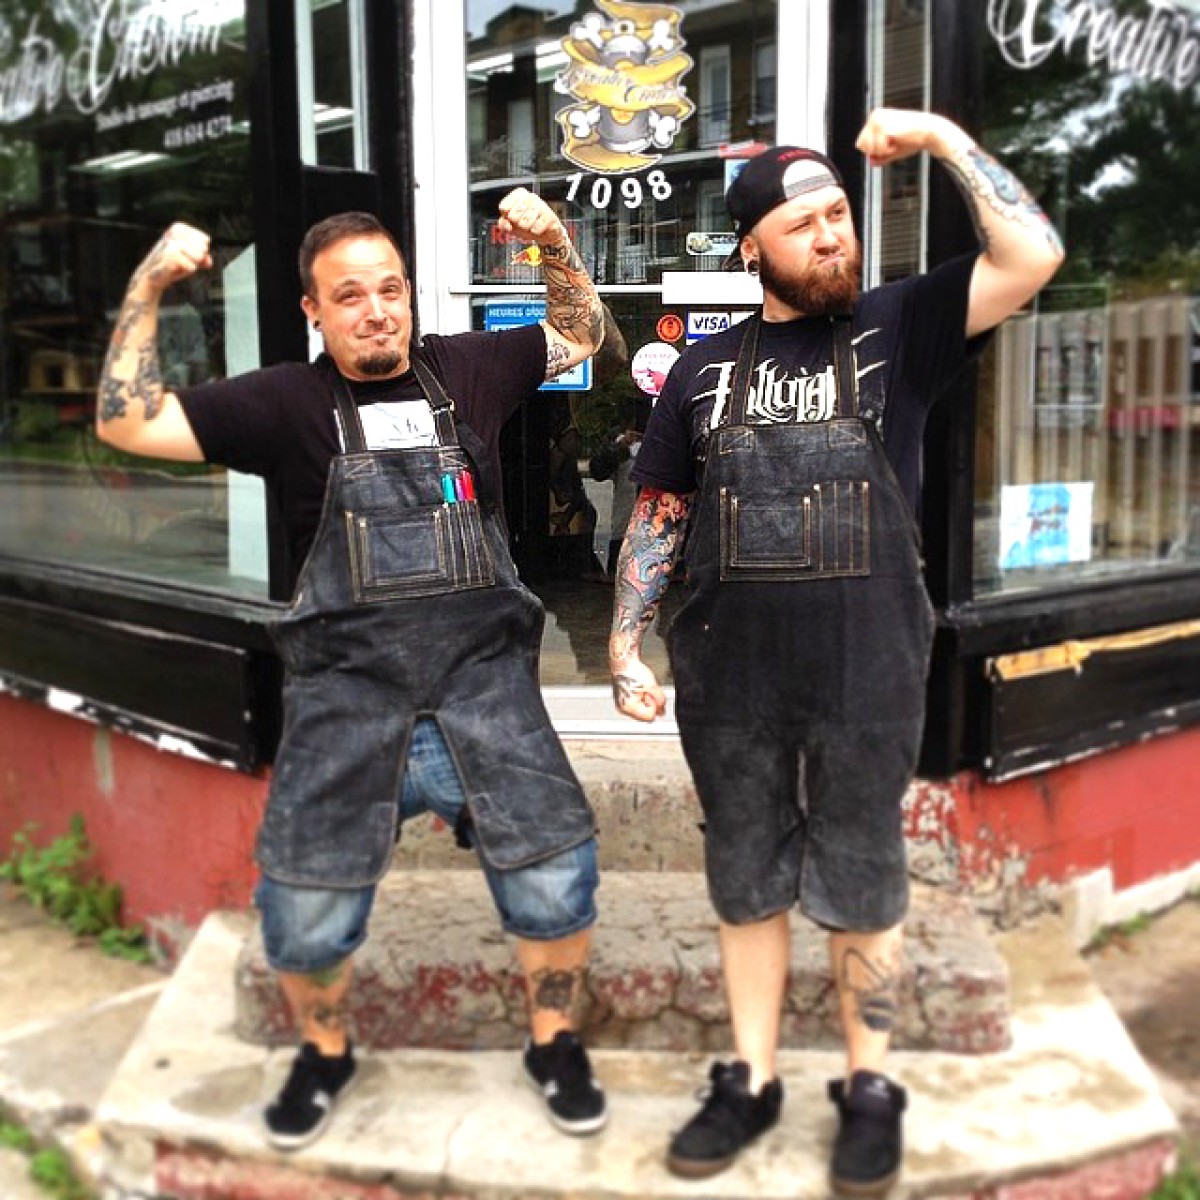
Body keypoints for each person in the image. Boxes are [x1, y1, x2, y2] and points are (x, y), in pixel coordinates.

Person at [608, 107, 1063, 1195]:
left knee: (862, 873)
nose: (831, 237)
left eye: (839, 217)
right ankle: (753, 1077)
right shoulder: (701, 374)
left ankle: (868, 1086)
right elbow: (662, 512)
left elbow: (1033, 254)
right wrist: (624, 642)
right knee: (745, 875)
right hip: (731, 678)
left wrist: (942, 138)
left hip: (869, 669)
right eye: (803, 224)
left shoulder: (902, 326)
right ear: (749, 250)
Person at [96, 190, 610, 1151]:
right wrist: (150, 285)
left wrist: (552, 243)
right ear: (313, 311)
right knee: (302, 908)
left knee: (555, 873)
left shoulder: (468, 368)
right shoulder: (282, 404)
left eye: (390, 290)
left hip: (484, 694)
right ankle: (325, 1053)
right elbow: (131, 424)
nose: (376, 312)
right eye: (350, 296)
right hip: (345, 705)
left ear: (408, 293)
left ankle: (554, 1043)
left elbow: (580, 336)